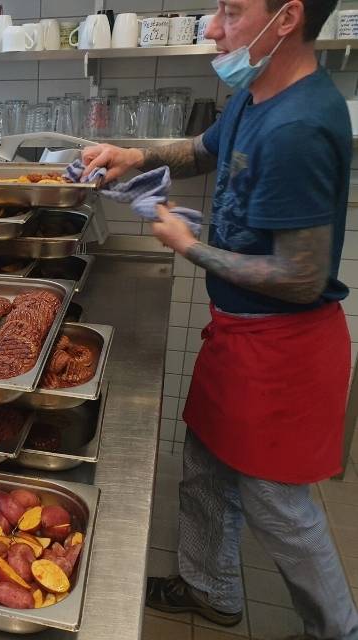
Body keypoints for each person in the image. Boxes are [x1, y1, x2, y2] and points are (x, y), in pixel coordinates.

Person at [83, 1, 358, 639]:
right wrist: (132, 154)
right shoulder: (255, 98)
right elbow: (200, 151)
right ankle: (211, 591)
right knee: (205, 465)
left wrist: (188, 245)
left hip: (284, 350)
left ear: (286, 18)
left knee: (279, 508)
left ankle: (337, 631)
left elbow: (300, 276)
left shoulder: (299, 126)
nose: (212, 27)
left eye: (231, 12)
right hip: (238, 334)